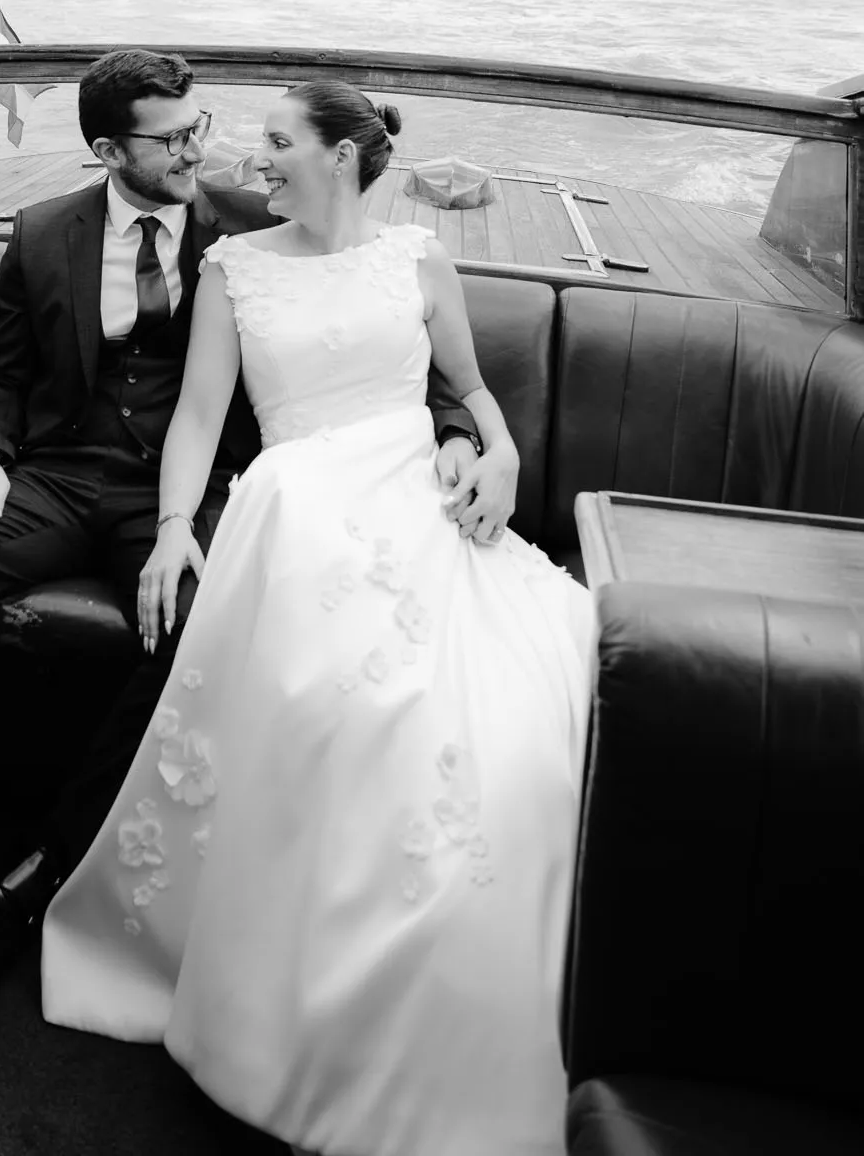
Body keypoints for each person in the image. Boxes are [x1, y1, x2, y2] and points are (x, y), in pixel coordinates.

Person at [0, 51, 484, 1087]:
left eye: (200, 125)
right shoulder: (41, 235)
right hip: (56, 470)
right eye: (171, 137)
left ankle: (43, 867)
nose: (198, 148)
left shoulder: (252, 225)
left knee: (216, 607)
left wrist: (459, 432)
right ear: (107, 149)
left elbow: (385, 340)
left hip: (188, 491)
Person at [41, 78, 596, 1156]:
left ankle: (430, 1005)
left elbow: (472, 392)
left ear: (341, 155)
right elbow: (201, 413)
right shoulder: (233, 268)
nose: (258, 155)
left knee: (519, 708)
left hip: (416, 496)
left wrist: (504, 453)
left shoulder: (420, 257)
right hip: (296, 504)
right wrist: (169, 528)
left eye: (280, 140)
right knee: (352, 693)